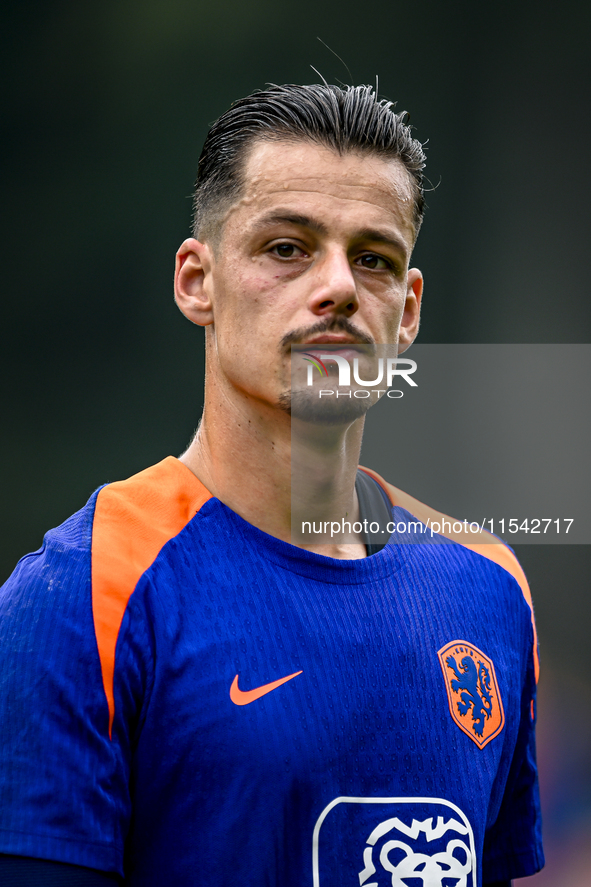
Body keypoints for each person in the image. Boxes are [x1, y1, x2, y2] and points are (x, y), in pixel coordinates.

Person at [0, 84, 543, 886]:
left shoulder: (488, 587)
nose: (338, 289)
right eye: (287, 248)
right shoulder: (83, 594)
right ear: (197, 281)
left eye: (373, 259)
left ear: (409, 310)